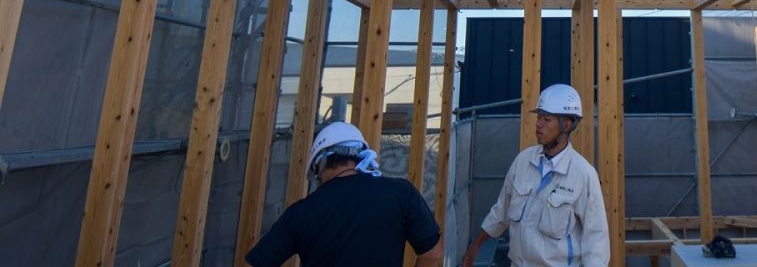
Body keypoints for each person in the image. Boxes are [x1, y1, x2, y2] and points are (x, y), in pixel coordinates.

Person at [245, 121, 443, 267]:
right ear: (360, 156)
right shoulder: (401, 194)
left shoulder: (301, 213)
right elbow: (432, 255)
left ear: (321, 164)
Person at [461, 84, 609, 267]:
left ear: (568, 123)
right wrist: (475, 246)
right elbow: (501, 212)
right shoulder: (523, 161)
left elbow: (596, 240)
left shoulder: (583, 174)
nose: (538, 124)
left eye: (546, 119)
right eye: (539, 117)